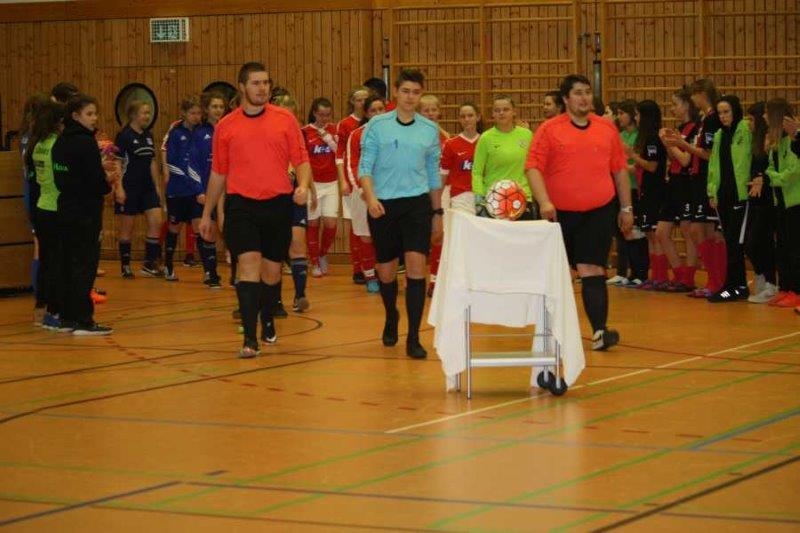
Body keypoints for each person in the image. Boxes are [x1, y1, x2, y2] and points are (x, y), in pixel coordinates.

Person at [199, 62, 310, 358]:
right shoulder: (226, 126)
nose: (263, 88)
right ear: (242, 87)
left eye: (266, 83)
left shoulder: (285, 119)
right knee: (248, 265)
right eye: (256, 83)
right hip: (241, 206)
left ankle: (268, 318)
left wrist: (303, 185)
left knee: (271, 273)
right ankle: (250, 339)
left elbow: (301, 159)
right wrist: (208, 214)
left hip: (278, 205)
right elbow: (218, 173)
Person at [525, 74, 633, 351]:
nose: (584, 97)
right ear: (566, 99)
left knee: (592, 268)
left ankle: (599, 331)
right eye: (578, 93)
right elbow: (533, 167)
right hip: (558, 214)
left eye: (587, 92)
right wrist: (544, 201)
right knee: (560, 273)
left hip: (598, 211)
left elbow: (619, 170)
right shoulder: (549, 129)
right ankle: (553, 332)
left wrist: (626, 207)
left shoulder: (606, 128)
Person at [358, 68, 442, 359]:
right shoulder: (377, 125)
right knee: (386, 270)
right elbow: (365, 167)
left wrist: (437, 212)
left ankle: (414, 337)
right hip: (383, 205)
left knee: (417, 267)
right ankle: (391, 314)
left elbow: (433, 175)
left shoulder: (429, 130)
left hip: (417, 205)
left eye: (416, 92)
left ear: (421, 95)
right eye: (405, 91)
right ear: (395, 92)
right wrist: (371, 198)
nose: (410, 97)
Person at [51, 94, 113, 335]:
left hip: (65, 208)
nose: (94, 118)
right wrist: (107, 182)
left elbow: (64, 177)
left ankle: (67, 317)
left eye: (95, 113)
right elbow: (95, 182)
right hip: (85, 212)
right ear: (75, 115)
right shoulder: (85, 143)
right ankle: (83, 319)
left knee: (68, 262)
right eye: (89, 114)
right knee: (85, 265)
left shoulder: (60, 142)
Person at [429, 102, 481, 297]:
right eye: (463, 116)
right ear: (459, 119)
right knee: (457, 240)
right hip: (459, 197)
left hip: (482, 198)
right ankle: (439, 280)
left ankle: (476, 281)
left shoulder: (486, 141)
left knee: (478, 241)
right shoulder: (451, 144)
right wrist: (435, 204)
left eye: (470, 115)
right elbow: (442, 176)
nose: (467, 119)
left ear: (478, 117)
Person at [706, 95, 753, 302]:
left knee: (736, 243)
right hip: (723, 196)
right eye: (720, 113)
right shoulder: (719, 135)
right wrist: (712, 191)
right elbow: (714, 166)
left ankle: (736, 286)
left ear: (735, 111)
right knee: (730, 242)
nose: (723, 116)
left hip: (740, 196)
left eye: (726, 112)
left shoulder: (745, 130)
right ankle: (735, 285)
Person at [656, 87, 701, 292]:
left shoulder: (695, 128)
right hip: (672, 182)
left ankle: (688, 278)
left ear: (687, 105)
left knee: (686, 229)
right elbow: (674, 157)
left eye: (675, 104)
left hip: (686, 183)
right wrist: (668, 144)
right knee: (661, 231)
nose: (672, 108)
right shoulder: (680, 128)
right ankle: (679, 273)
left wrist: (669, 142)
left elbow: (685, 160)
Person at [114, 100, 163, 279]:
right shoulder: (124, 136)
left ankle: (149, 264)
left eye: (149, 113)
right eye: (144, 113)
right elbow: (118, 163)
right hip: (129, 187)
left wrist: (157, 186)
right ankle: (125, 265)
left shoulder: (148, 135)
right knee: (127, 228)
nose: (147, 116)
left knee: (157, 221)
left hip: (147, 187)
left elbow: (152, 162)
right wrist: (119, 188)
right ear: (134, 115)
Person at [28, 100, 65, 330]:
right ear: (59, 121)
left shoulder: (37, 144)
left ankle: (40, 309)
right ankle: (53, 311)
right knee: (56, 262)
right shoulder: (56, 145)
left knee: (46, 261)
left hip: (42, 206)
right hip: (55, 208)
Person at [345, 95, 387, 294]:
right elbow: (351, 164)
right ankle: (370, 276)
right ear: (366, 113)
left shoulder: (393, 133)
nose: (377, 114)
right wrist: (362, 190)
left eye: (381, 109)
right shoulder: (356, 135)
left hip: (387, 192)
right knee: (366, 237)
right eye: (373, 110)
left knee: (386, 236)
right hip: (363, 193)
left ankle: (385, 275)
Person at [163, 96, 207, 282]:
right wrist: (190, 179)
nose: (196, 116)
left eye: (199, 113)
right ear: (184, 113)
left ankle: (208, 271)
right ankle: (168, 266)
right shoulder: (175, 133)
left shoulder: (202, 132)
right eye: (192, 113)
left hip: (196, 191)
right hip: (178, 190)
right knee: (174, 227)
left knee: (199, 227)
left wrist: (200, 186)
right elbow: (172, 163)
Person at [625, 100, 667, 290]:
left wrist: (632, 155)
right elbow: (637, 167)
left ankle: (661, 275)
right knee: (649, 233)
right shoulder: (646, 138)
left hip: (655, 190)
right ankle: (655, 275)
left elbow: (652, 166)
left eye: (638, 114)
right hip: (645, 190)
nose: (636, 118)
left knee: (655, 234)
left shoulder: (653, 139)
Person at [472, 95, 535, 219]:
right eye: (497, 110)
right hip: (494, 200)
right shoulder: (485, 138)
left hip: (522, 198)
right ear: (493, 114)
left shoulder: (527, 135)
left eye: (506, 109)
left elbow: (533, 168)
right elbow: (477, 171)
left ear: (514, 112)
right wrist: (479, 198)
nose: (501, 113)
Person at [764, 98, 800, 309]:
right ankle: (785, 287)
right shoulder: (775, 143)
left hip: (795, 201)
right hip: (781, 201)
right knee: (783, 247)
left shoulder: (793, 140)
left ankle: (797, 290)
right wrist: (773, 176)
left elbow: (793, 171)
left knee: (795, 249)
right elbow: (770, 168)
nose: (765, 117)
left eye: (767, 113)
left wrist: (775, 178)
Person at [742, 102, 777, 303]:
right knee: (750, 243)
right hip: (754, 198)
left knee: (759, 242)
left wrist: (762, 178)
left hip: (768, 199)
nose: (749, 123)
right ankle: (762, 277)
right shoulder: (753, 141)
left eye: (751, 119)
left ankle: (771, 283)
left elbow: (770, 167)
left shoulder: (769, 141)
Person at [336, 86, 370, 284]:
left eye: (366, 99)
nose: (362, 103)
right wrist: (343, 180)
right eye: (358, 99)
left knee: (370, 228)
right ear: (352, 102)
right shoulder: (346, 124)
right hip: (352, 181)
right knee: (356, 224)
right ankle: (357, 268)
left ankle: (371, 267)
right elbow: (340, 155)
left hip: (373, 183)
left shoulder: (377, 124)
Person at [302, 97, 339, 278]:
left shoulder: (334, 129)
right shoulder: (305, 132)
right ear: (314, 113)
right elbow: (303, 162)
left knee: (331, 224)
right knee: (313, 223)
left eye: (328, 115)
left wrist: (329, 139)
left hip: (331, 183)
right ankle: (314, 261)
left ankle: (322, 254)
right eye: (321, 114)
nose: (324, 118)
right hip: (312, 184)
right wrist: (310, 188)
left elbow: (341, 154)